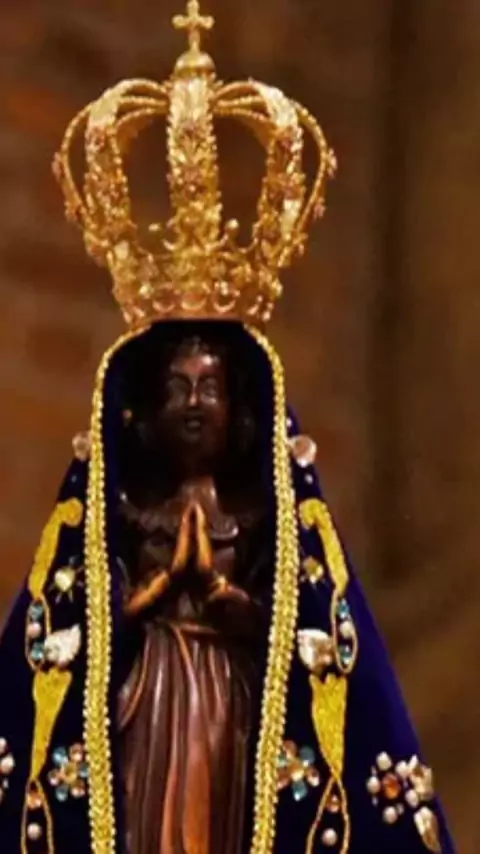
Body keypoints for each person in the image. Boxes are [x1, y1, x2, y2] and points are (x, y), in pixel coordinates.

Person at [0, 3, 456, 853]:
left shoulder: (260, 524)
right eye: (176, 389)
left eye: (209, 388)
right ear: (139, 415)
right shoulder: (124, 519)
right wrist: (152, 597)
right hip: (147, 702)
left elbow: (289, 635)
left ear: (244, 413)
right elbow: (89, 640)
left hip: (230, 711)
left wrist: (222, 600)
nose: (193, 403)